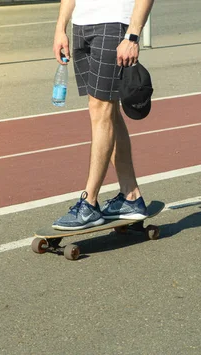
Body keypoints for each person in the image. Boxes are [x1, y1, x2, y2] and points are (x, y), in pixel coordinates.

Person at [51, 0, 155, 230]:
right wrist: (61, 27)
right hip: (82, 24)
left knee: (101, 110)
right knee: (106, 111)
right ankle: (131, 196)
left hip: (115, 24)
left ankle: (89, 203)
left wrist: (133, 35)